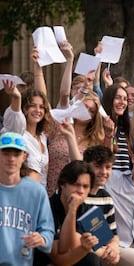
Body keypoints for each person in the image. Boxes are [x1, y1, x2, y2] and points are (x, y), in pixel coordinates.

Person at [35, 160, 117, 265]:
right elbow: (60, 260)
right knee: (90, 259)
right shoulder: (47, 209)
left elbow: (107, 248)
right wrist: (72, 210)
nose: (80, 191)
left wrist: (113, 248)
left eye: (85, 186)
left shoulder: (88, 211)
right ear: (62, 184)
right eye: (76, 185)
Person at [0, 132, 54, 266]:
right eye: (6, 153)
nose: (11, 159)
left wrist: (41, 239)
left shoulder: (36, 191)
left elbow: (47, 231)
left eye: (16, 154)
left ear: (24, 157)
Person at [2, 82, 53, 186]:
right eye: (32, 106)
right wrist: (16, 98)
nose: (38, 110)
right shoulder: (18, 132)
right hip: (21, 191)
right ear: (24, 107)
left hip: (41, 193)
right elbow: (15, 115)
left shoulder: (42, 136)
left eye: (41, 107)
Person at [82, 146, 120, 265]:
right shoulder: (78, 194)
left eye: (108, 167)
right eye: (98, 166)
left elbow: (113, 235)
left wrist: (114, 248)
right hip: (82, 251)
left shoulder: (106, 198)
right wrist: (101, 252)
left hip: (103, 250)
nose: (104, 172)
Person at [102, 84, 132, 172]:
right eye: (118, 98)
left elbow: (114, 143)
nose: (122, 102)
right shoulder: (100, 126)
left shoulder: (124, 128)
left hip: (124, 181)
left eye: (125, 99)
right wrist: (109, 134)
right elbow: (106, 156)